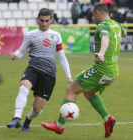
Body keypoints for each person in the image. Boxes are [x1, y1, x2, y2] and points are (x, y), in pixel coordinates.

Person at [41, 2, 127, 138]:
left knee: (71, 89)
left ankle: (60, 125)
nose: (93, 17)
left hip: (102, 69)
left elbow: (105, 38)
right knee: (88, 93)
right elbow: (124, 33)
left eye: (93, 14)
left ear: (97, 13)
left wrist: (102, 53)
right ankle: (107, 119)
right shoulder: (116, 24)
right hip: (113, 71)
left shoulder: (102, 26)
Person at [6, 8, 73, 131]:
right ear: (38, 19)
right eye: (41, 20)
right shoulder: (30, 35)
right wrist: (16, 55)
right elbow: (21, 52)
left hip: (49, 74)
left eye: (47, 20)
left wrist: (68, 76)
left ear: (51, 20)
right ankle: (16, 118)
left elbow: (62, 57)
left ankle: (28, 119)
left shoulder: (56, 36)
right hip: (33, 68)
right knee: (23, 86)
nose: (44, 23)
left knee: (37, 109)